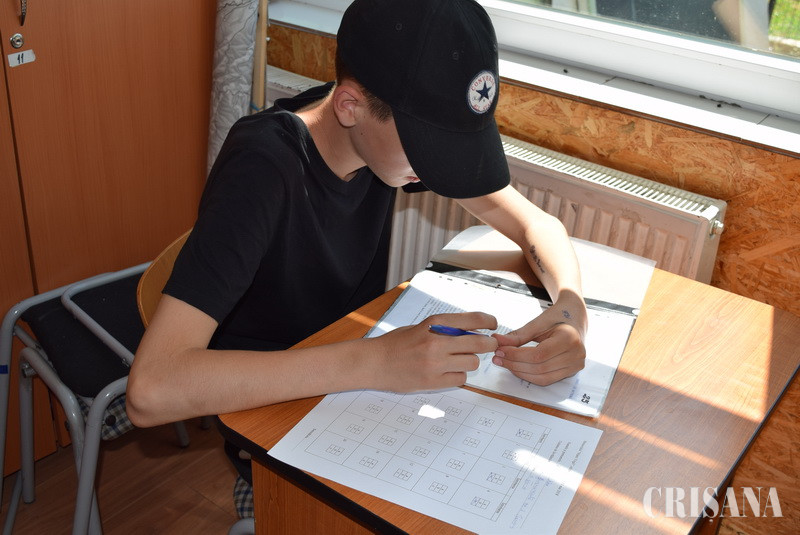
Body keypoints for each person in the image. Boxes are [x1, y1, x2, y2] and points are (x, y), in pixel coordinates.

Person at [127, 0, 588, 518]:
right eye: (427, 148)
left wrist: (569, 315)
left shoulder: (374, 135)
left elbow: (537, 226)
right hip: (273, 407)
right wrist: (375, 362)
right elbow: (151, 390)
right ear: (349, 106)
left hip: (354, 380)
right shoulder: (262, 169)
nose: (434, 169)